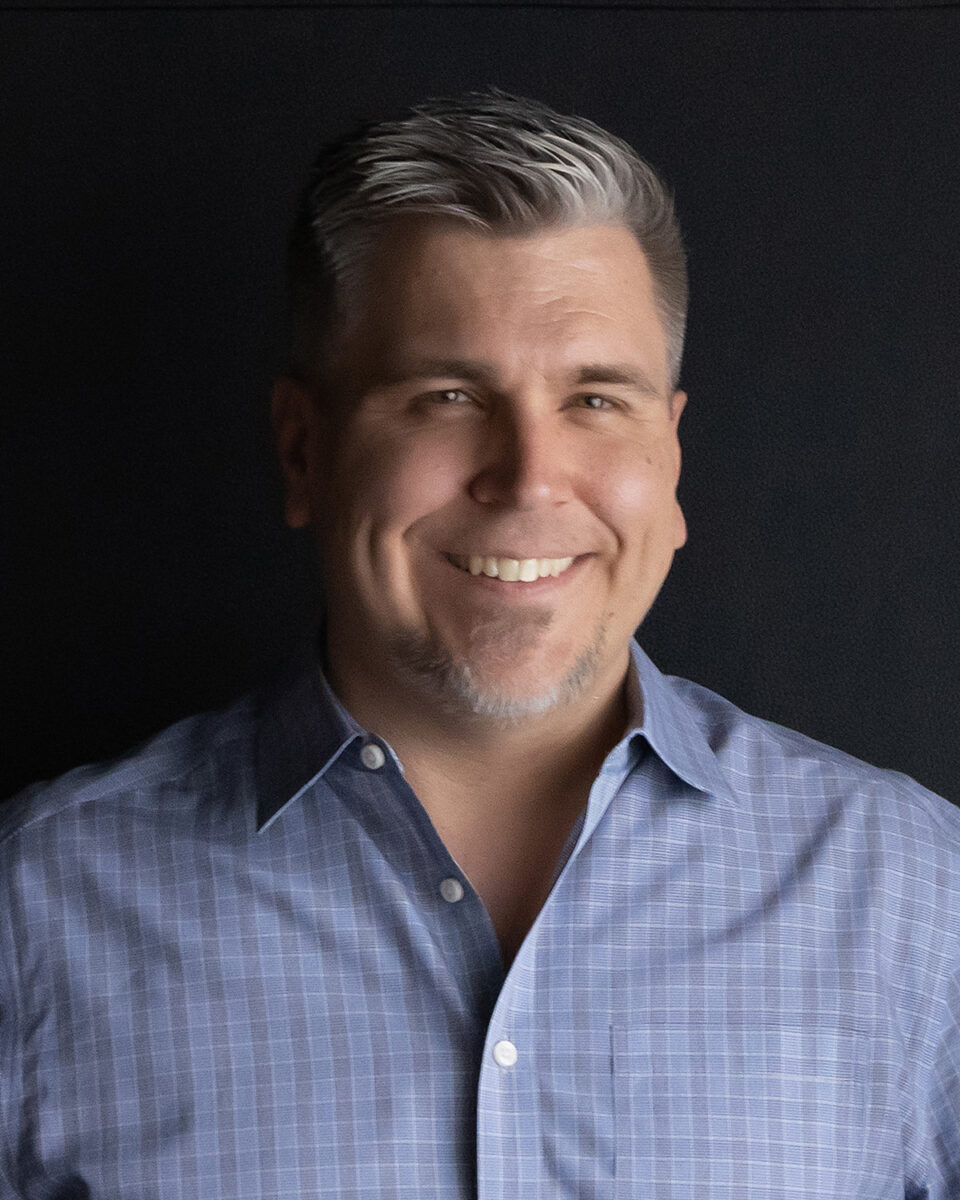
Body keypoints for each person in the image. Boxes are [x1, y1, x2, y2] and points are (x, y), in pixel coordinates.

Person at [1, 90, 958, 1200]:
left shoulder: (920, 906)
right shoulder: (33, 919)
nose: (530, 479)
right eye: (447, 395)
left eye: (597, 400)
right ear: (303, 452)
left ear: (673, 459)